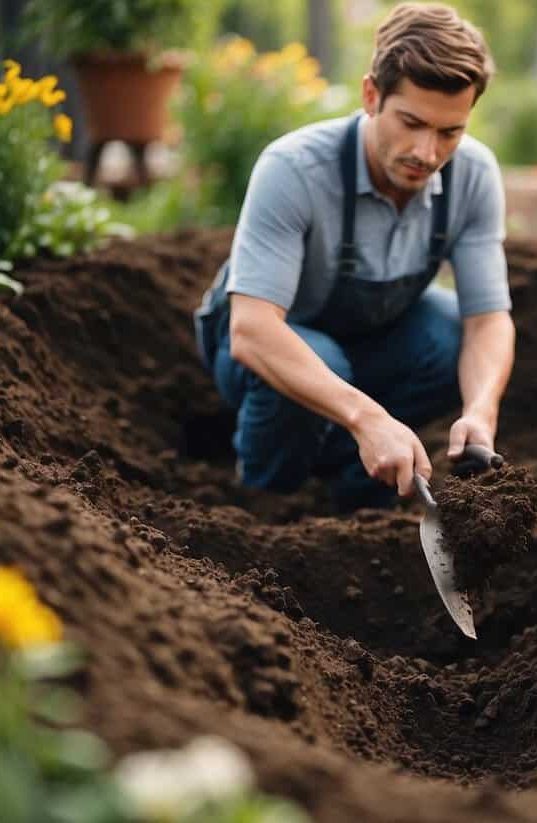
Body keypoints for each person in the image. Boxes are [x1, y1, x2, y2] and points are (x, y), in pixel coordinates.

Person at [193, 2, 515, 512]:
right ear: (371, 95)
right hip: (265, 349)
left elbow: (488, 321)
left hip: (367, 345)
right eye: (411, 122)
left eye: (449, 132)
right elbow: (251, 330)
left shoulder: (472, 175)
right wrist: (369, 418)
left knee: (446, 332)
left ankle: (355, 490)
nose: (427, 153)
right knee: (320, 359)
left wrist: (480, 413)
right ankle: (264, 501)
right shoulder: (294, 168)